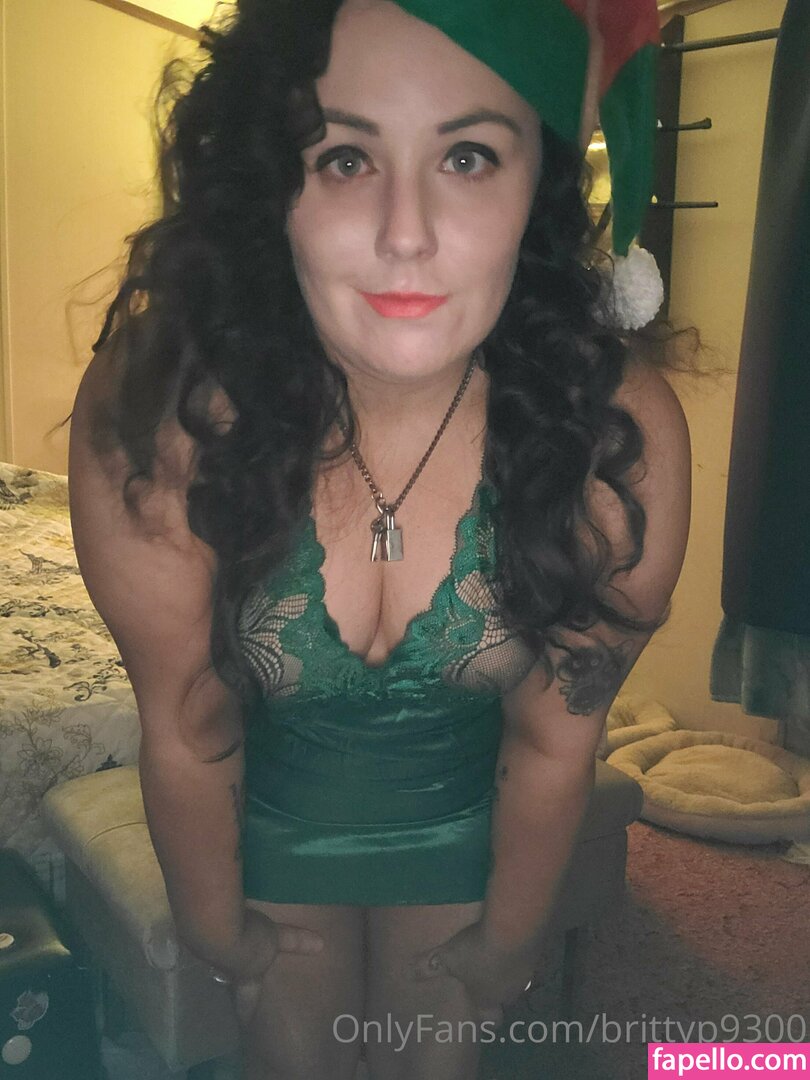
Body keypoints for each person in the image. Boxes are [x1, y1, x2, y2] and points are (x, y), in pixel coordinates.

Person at [67, 1, 691, 1077]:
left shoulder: (612, 441)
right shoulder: (167, 414)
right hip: (268, 827)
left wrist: (508, 942)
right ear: (273, 180)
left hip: (469, 834)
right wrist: (221, 933)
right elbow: (187, 720)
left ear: (538, 180)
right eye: (345, 158)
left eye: (467, 155)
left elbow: (556, 740)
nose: (408, 233)